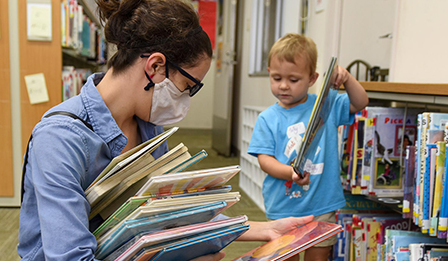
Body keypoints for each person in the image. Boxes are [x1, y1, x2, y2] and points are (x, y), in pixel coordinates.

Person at [17, 1, 313, 260]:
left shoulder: (149, 129)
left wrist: (264, 228)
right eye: (188, 87)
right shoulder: (59, 140)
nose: (185, 101)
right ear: (156, 66)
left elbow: (171, 210)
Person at [247, 33, 369, 261]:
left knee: (319, 257)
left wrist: (347, 79)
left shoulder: (327, 105)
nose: (283, 86)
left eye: (293, 80)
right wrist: (290, 173)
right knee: (286, 257)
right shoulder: (267, 118)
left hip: (322, 203)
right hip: (284, 205)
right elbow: (265, 160)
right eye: (276, 78)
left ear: (312, 79)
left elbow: (360, 102)